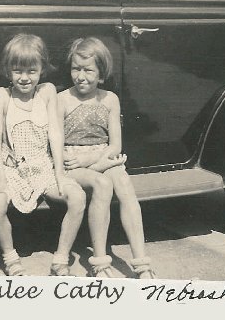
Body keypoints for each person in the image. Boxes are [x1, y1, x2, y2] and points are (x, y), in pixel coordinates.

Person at [0, 34, 87, 277]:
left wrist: (60, 174)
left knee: (77, 197)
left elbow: (55, 132)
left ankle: (61, 258)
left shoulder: (47, 92)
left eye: (32, 70)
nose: (24, 77)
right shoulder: (2, 95)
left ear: (42, 69)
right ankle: (11, 258)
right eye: (18, 70)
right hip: (13, 169)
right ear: (8, 70)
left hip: (43, 166)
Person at [58, 37, 157, 279]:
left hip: (103, 156)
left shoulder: (110, 99)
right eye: (76, 69)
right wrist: (88, 163)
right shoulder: (62, 99)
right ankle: (100, 262)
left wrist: (97, 162)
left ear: (101, 72)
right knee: (103, 184)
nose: (81, 76)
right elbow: (58, 145)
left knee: (123, 184)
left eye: (88, 70)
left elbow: (115, 144)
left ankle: (141, 262)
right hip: (74, 162)